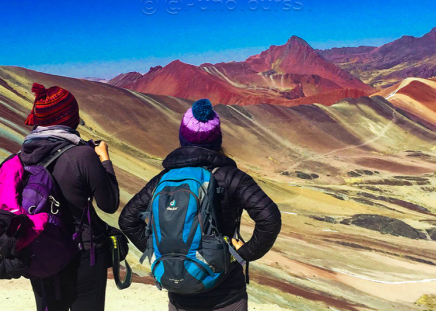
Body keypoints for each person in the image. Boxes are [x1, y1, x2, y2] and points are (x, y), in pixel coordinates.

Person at [119, 99, 282, 311]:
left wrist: (163, 252)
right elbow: (269, 219)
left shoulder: (164, 179)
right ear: (218, 140)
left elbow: (128, 220)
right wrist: (244, 254)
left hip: (179, 292)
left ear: (182, 139)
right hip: (226, 294)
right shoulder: (232, 177)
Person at [20, 83, 120, 311]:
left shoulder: (23, 155)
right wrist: (105, 160)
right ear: (69, 117)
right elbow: (109, 203)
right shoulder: (82, 155)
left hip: (40, 251)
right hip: (83, 254)